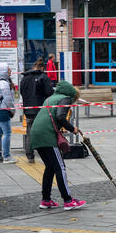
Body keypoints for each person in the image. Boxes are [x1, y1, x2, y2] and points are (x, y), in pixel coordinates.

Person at [30, 80, 86, 210]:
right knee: (60, 167)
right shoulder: (65, 98)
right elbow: (61, 117)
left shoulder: (50, 98)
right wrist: (73, 129)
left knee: (50, 167)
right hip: (47, 136)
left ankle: (46, 200)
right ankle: (68, 200)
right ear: (73, 96)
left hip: (36, 134)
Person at [20, 57, 54, 163]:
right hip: (41, 110)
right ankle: (45, 154)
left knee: (29, 131)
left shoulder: (24, 78)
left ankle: (30, 155)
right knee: (44, 131)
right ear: (42, 68)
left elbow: (21, 92)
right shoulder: (43, 77)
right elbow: (50, 93)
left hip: (28, 109)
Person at [0, 63, 17, 164]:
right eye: (8, 69)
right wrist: (12, 109)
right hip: (3, 110)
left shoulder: (0, 82)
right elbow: (8, 99)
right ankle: (6, 156)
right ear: (3, 71)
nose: (10, 71)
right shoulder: (4, 84)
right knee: (7, 133)